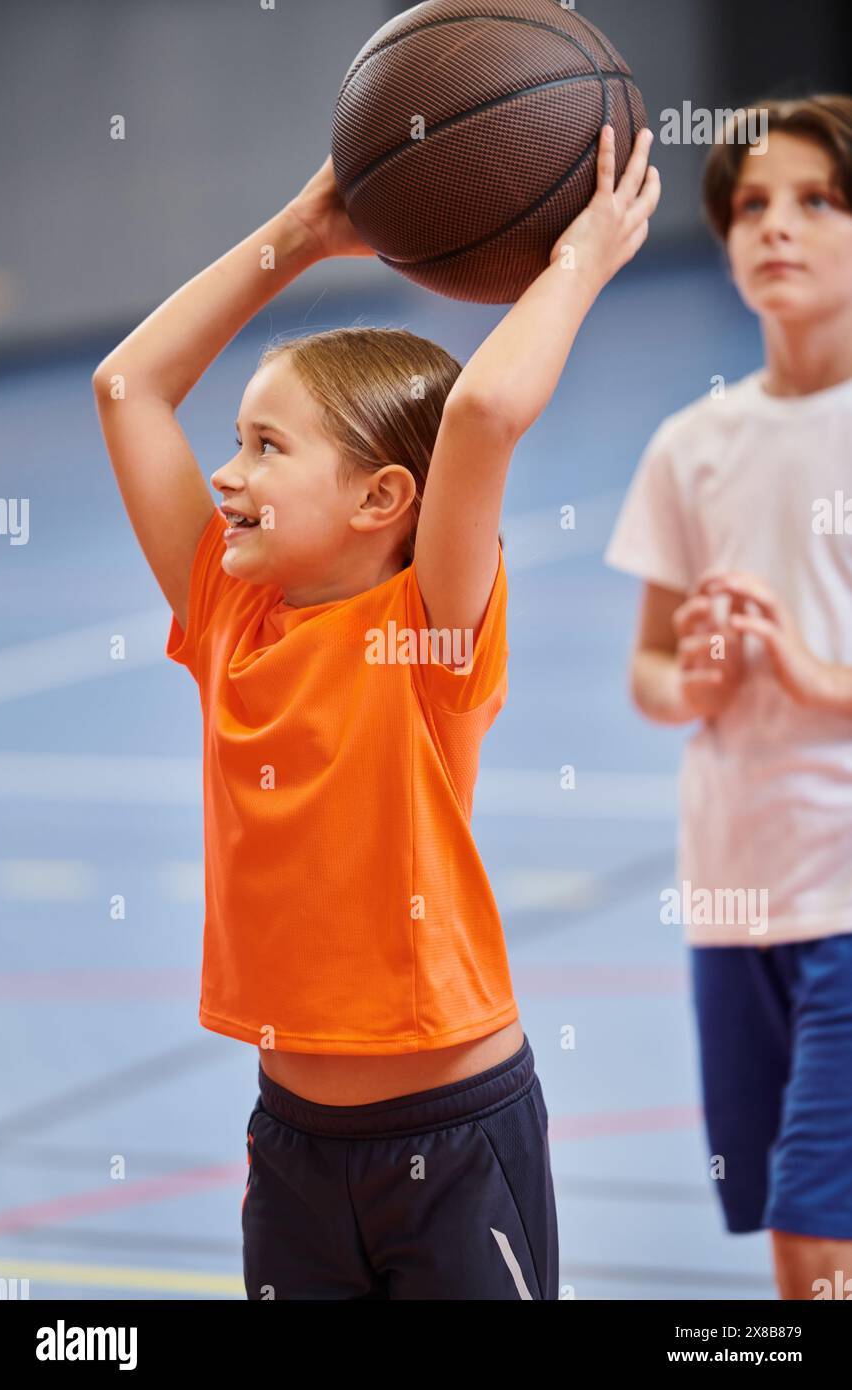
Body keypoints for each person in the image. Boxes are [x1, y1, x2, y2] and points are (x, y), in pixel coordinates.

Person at [93, 123, 659, 1300]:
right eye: (234, 441)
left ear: (381, 497)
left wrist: (581, 259)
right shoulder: (229, 618)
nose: (224, 474)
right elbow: (127, 385)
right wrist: (298, 237)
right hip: (292, 1140)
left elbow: (484, 415)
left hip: (450, 1136)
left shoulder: (431, 636)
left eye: (264, 447)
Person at [605, 95, 852, 1301]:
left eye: (815, 201)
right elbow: (648, 672)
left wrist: (818, 680)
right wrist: (689, 678)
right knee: (790, 1234)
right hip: (733, 895)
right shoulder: (687, 444)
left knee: (817, 1234)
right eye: (750, 206)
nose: (775, 228)